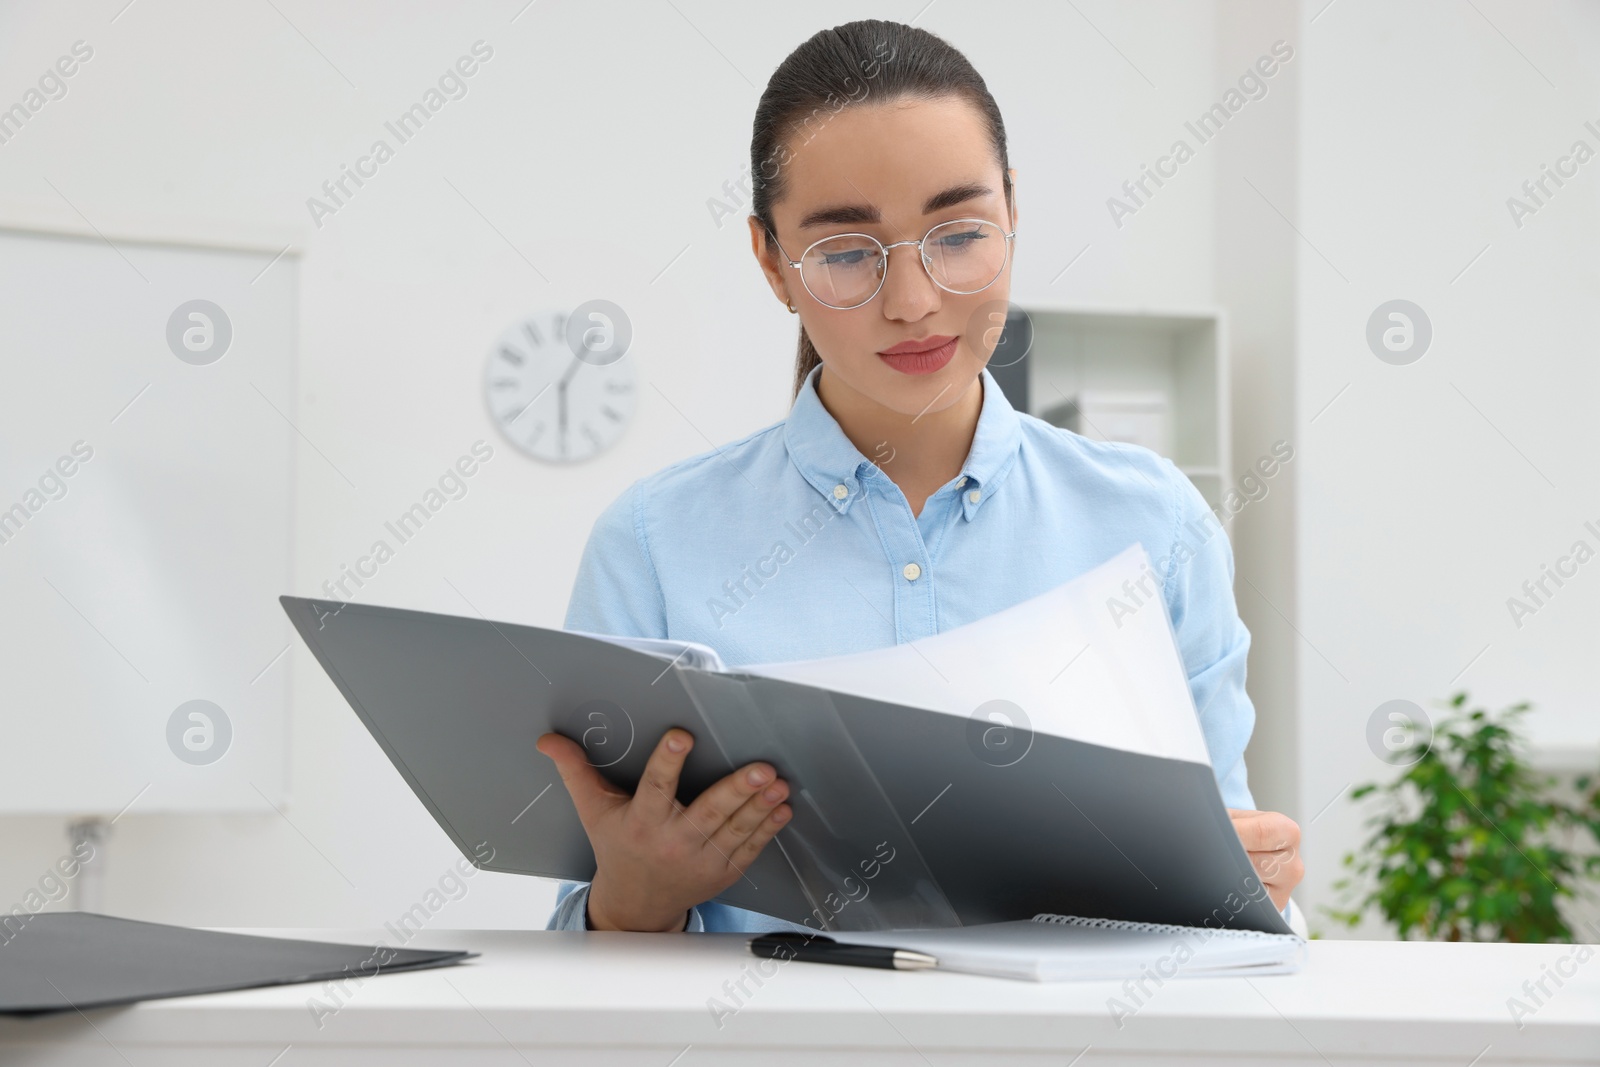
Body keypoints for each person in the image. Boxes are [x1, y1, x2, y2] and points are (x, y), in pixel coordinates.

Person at [538, 18, 1304, 935]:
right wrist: (636, 899)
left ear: (1012, 212)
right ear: (771, 262)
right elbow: (580, 957)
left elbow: (1234, 896)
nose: (914, 301)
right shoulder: (654, 545)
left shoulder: (1155, 525)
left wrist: (1250, 890)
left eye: (958, 233)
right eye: (847, 253)